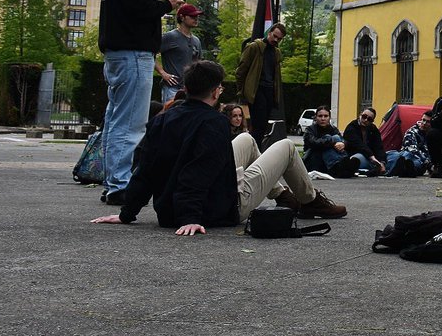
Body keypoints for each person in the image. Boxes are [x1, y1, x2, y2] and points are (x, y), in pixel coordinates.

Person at [90, 60, 345, 235]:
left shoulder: (162, 119)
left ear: (186, 89)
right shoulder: (214, 123)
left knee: (246, 140)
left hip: (171, 209)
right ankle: (310, 200)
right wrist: (191, 217)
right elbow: (197, 171)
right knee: (288, 147)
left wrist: (127, 213)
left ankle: (281, 195)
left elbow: (145, 169)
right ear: (215, 92)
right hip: (219, 210)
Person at [98, 0, 183, 205]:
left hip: (117, 53)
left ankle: (112, 181)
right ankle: (120, 186)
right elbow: (139, 9)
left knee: (114, 121)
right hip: (133, 53)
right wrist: (166, 5)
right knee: (130, 123)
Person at [236, 22, 286, 143]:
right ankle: (254, 151)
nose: (276, 40)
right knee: (258, 125)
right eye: (274, 36)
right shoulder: (254, 47)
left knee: (262, 126)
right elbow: (241, 70)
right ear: (269, 33)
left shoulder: (276, 52)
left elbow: (276, 76)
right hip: (256, 89)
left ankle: (256, 150)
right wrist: (241, 90)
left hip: (269, 90)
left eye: (279, 39)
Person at [156, 3, 202, 103]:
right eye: (192, 16)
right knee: (170, 116)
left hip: (190, 90)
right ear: (182, 17)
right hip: (172, 89)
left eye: (197, 16)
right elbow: (150, 54)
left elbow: (198, 65)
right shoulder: (170, 37)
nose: (196, 18)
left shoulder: (197, 41)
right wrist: (162, 73)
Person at [303, 107, 360, 178]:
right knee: (330, 138)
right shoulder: (310, 129)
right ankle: (339, 166)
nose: (323, 119)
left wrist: (343, 144)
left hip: (330, 159)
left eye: (326, 116)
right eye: (320, 116)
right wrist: (332, 143)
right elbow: (313, 143)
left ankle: (345, 166)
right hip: (314, 159)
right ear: (315, 117)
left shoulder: (333, 129)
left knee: (336, 138)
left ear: (329, 118)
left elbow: (343, 140)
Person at [385, 111, 433, 177]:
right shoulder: (411, 131)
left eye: (428, 122)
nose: (424, 123)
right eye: (423, 120)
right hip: (408, 155)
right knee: (405, 156)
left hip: (420, 162)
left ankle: (403, 170)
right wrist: (428, 163)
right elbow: (412, 150)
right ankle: (400, 170)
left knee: (416, 163)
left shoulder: (433, 135)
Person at [343, 106, 387, 176]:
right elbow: (359, 145)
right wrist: (372, 157)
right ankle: (373, 170)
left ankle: (378, 168)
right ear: (360, 115)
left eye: (369, 119)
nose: (366, 120)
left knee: (393, 155)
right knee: (357, 158)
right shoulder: (351, 127)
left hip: (373, 159)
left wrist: (382, 162)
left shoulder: (373, 129)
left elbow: (379, 146)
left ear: (372, 121)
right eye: (364, 116)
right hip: (359, 156)